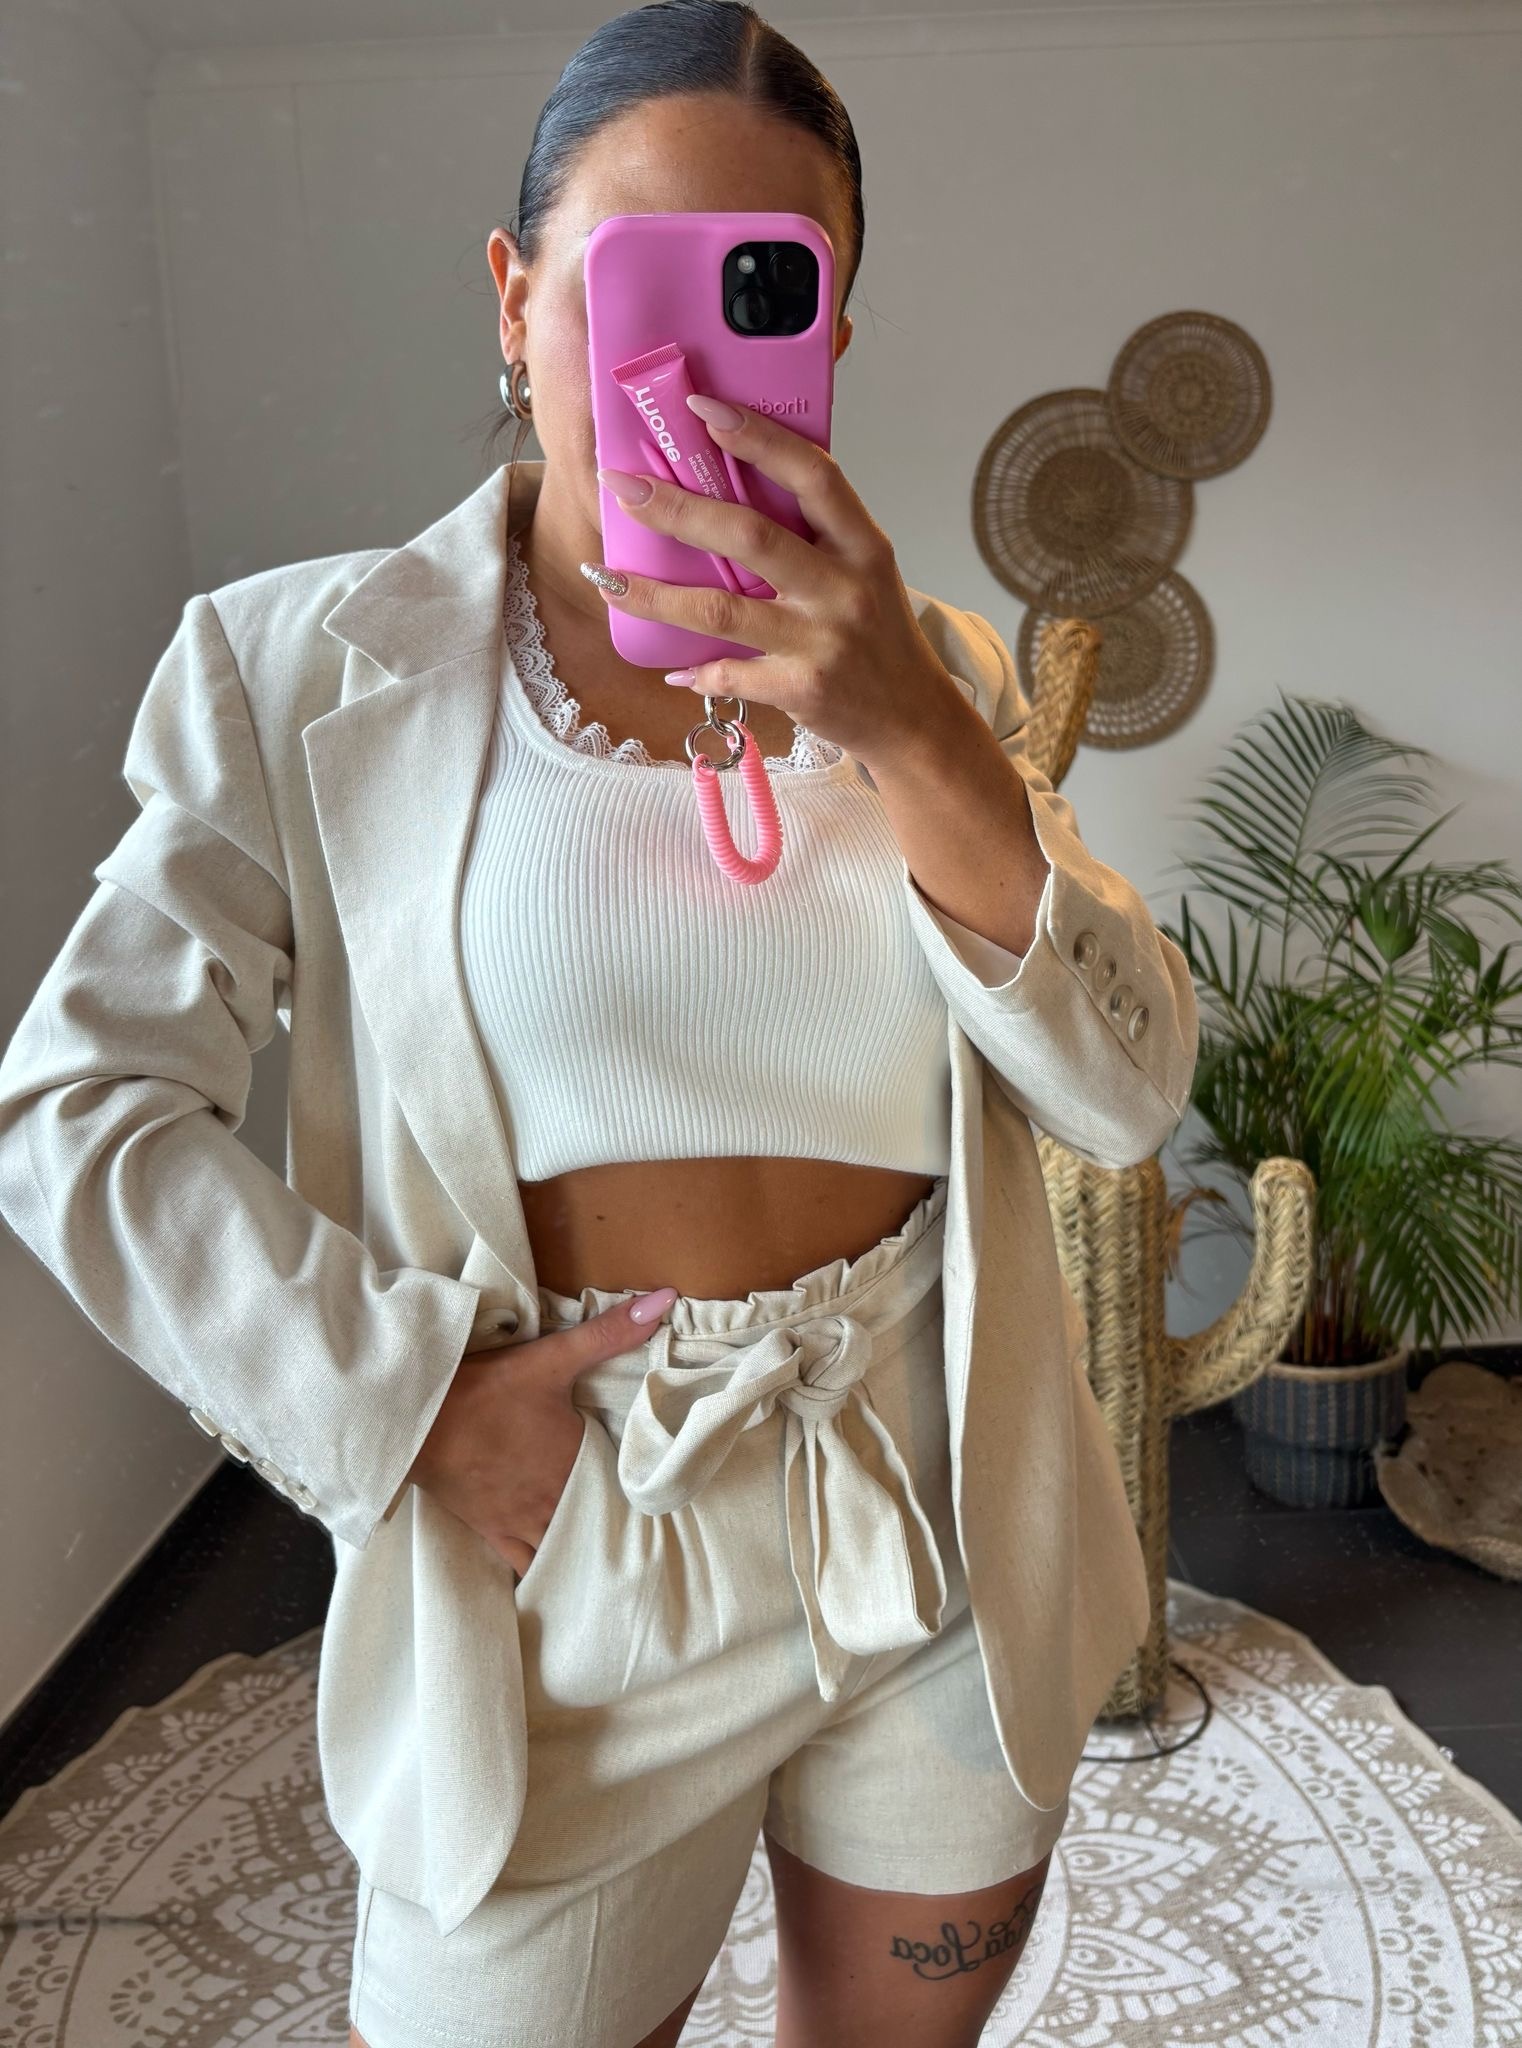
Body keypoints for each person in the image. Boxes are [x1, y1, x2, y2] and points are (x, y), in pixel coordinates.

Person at [0, 4, 1200, 2045]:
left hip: (925, 1518)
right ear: (513, 296)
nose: (675, 370)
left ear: (831, 328)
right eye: (629, 286)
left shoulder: (934, 675)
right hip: (558, 1566)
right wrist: (397, 1406)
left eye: (759, 294)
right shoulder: (294, 672)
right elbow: (77, 1105)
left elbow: (1122, 1088)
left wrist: (916, 736)